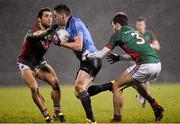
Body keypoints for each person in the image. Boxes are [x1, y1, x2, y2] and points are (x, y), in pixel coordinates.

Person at [86, 12, 164, 122]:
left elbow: (101, 55)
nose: (113, 29)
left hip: (145, 65)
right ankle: (155, 106)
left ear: (117, 25)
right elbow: (136, 54)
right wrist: (119, 58)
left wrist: (87, 55)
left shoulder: (117, 35)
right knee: (135, 83)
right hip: (157, 64)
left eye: (113, 26)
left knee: (117, 86)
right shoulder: (134, 32)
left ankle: (117, 119)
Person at [53, 4, 103, 123]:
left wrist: (60, 43)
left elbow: (79, 46)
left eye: (56, 16)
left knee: (80, 88)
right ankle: (110, 86)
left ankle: (91, 120)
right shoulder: (72, 24)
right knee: (78, 93)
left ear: (63, 15)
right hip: (88, 60)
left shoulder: (74, 23)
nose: (55, 19)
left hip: (91, 59)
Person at [17, 7, 65, 123]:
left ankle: (57, 113)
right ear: (39, 19)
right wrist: (50, 31)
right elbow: (38, 34)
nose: (50, 19)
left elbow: (61, 41)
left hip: (39, 62)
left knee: (56, 84)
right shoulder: (33, 30)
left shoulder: (51, 31)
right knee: (34, 87)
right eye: (46, 16)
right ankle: (47, 116)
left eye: (51, 17)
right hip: (26, 63)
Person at [135, 17, 160, 108]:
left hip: (149, 61)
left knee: (145, 82)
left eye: (141, 24)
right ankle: (144, 98)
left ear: (145, 25)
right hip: (137, 61)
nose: (140, 26)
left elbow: (157, 46)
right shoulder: (134, 35)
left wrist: (148, 45)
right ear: (136, 25)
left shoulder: (149, 34)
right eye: (138, 25)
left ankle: (145, 99)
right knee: (138, 82)